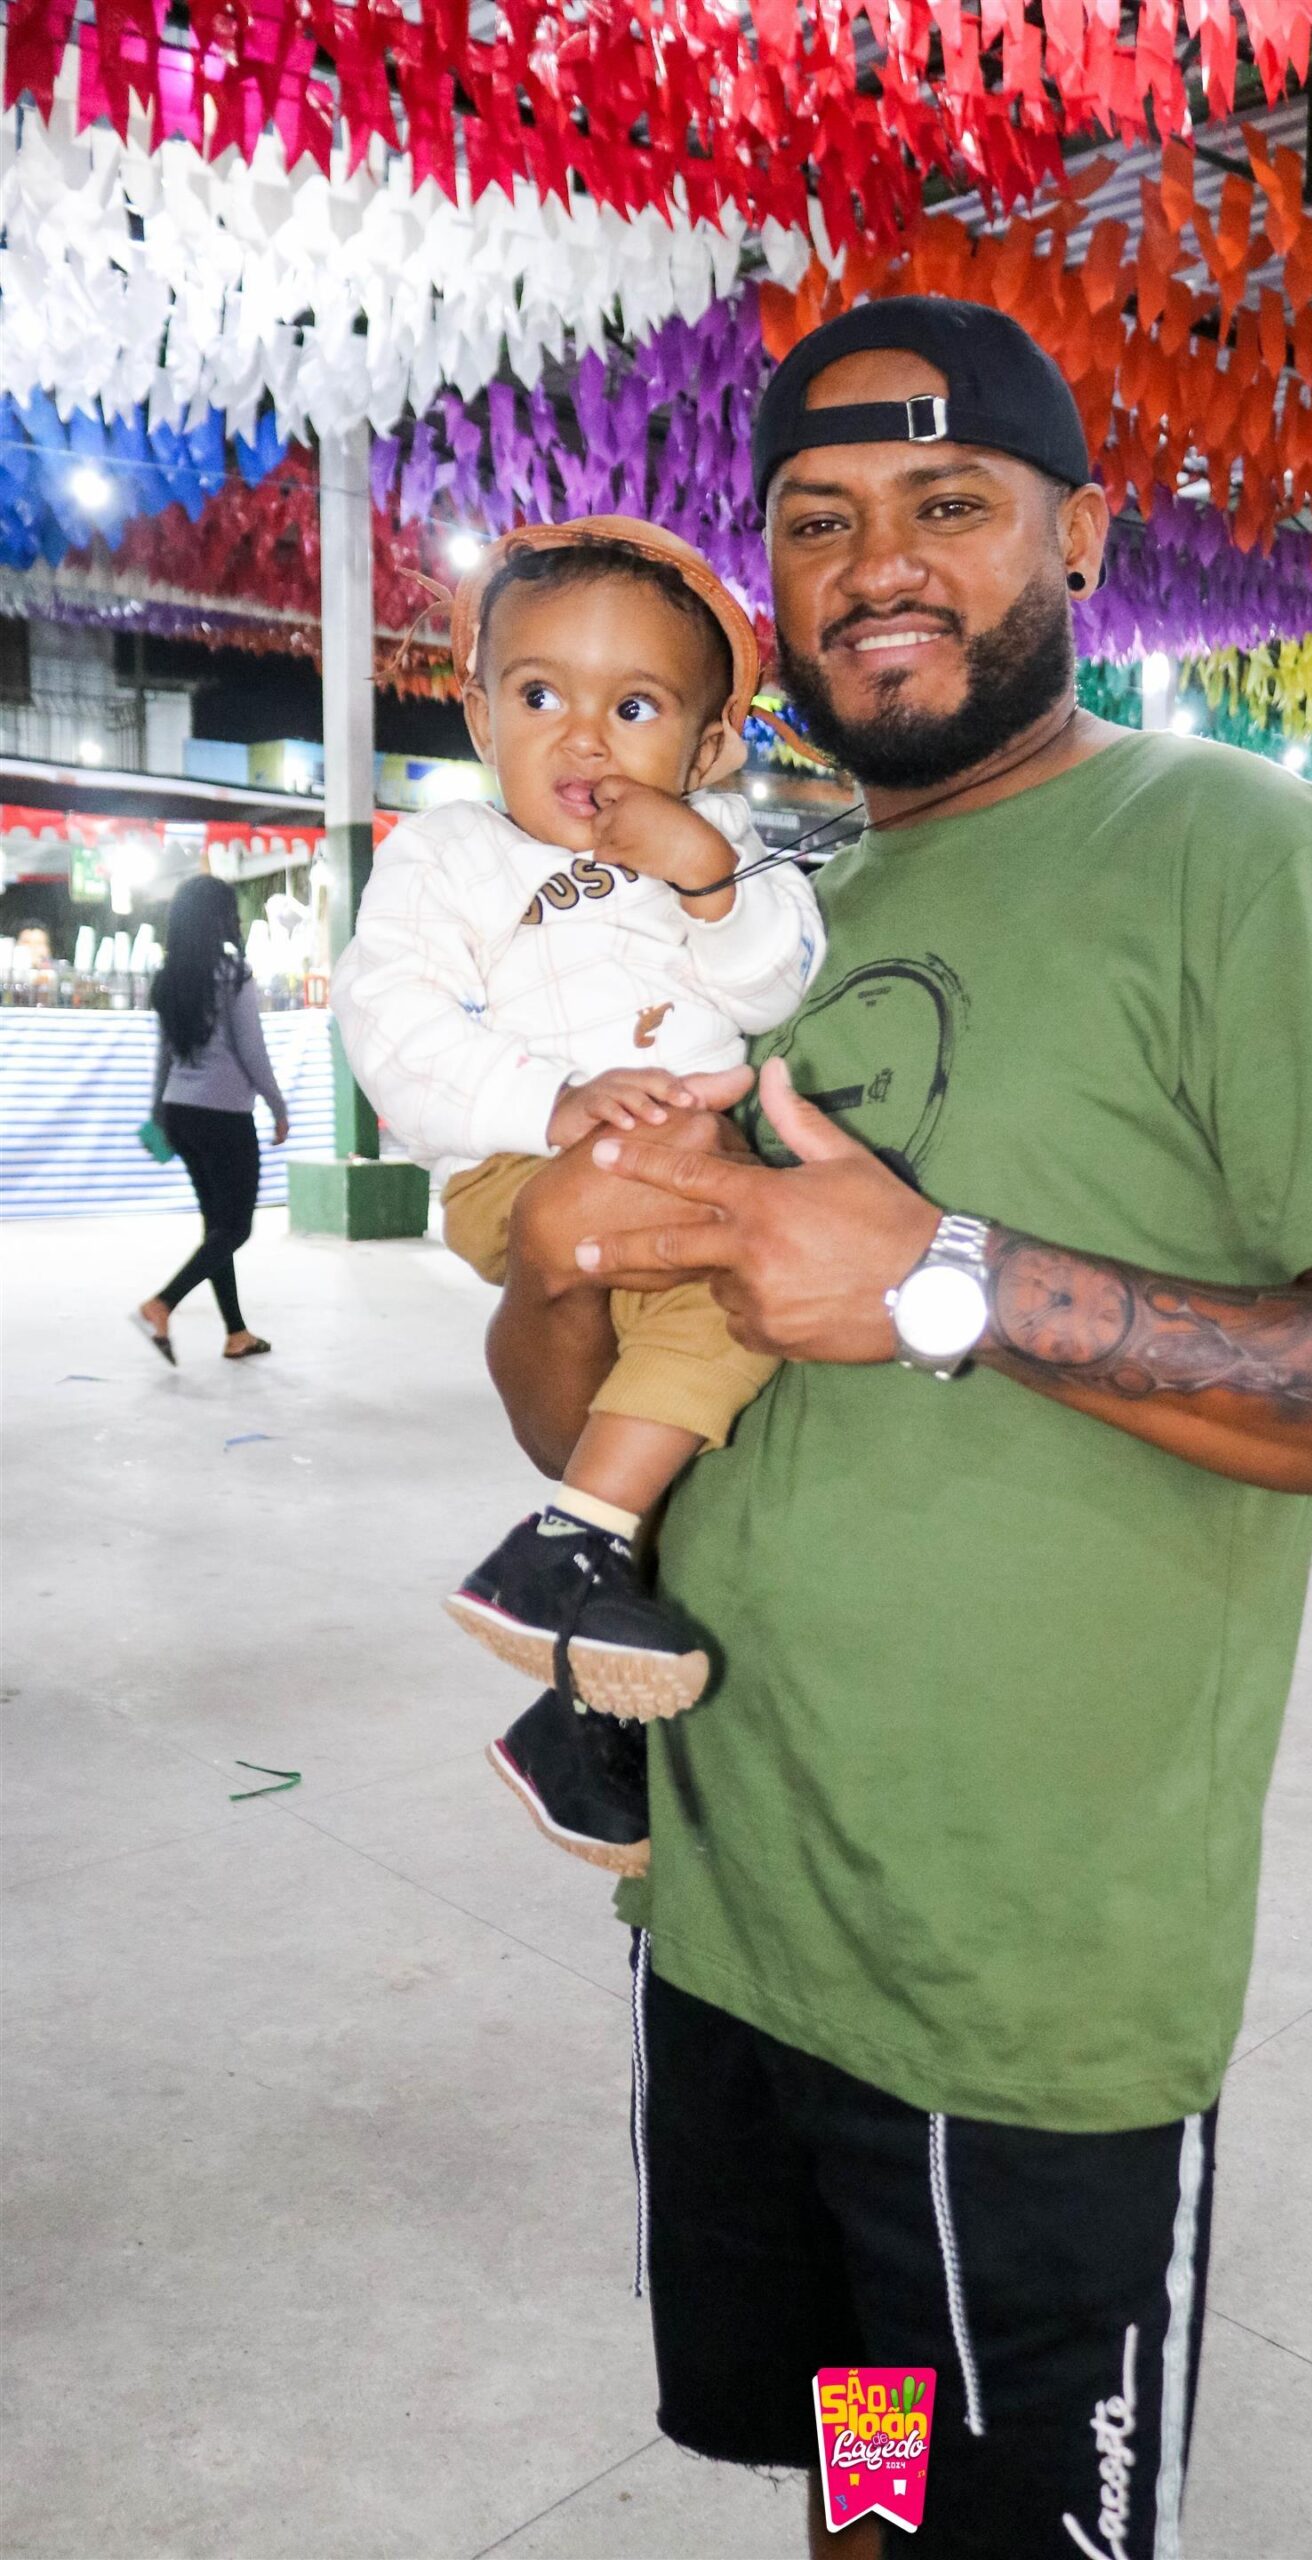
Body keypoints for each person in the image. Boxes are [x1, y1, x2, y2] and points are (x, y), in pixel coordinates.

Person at [483, 299, 1312, 2560]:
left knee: (1019, 2528)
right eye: (818, 520)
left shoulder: (1236, 853)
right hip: (729, 1916)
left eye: (946, 504)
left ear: (1081, 534)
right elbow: (576, 1417)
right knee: (856, 2467)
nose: (879, 564)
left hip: (1018, 1993)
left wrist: (943, 1278)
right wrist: (553, 1265)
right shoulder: (760, 925)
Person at [333, 518, 824, 1873]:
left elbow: (777, 982)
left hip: (688, 1186)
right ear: (479, 713)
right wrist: (546, 1104)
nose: (585, 741)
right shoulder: (449, 856)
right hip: (525, 1165)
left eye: (636, 708)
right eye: (541, 694)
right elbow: (388, 1021)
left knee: (729, 1335)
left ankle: (583, 1668)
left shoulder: (721, 849)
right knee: (726, 1291)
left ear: (709, 747)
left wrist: (709, 879)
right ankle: (569, 1554)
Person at [135, 875, 287, 1365]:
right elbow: (252, 1050)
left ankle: (236, 1333)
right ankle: (162, 1304)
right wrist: (278, 1105)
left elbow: (163, 1053)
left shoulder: (168, 977)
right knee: (236, 1228)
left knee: (217, 1227)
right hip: (224, 1116)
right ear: (219, 919)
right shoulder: (234, 974)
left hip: (181, 1113)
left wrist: (159, 1111)